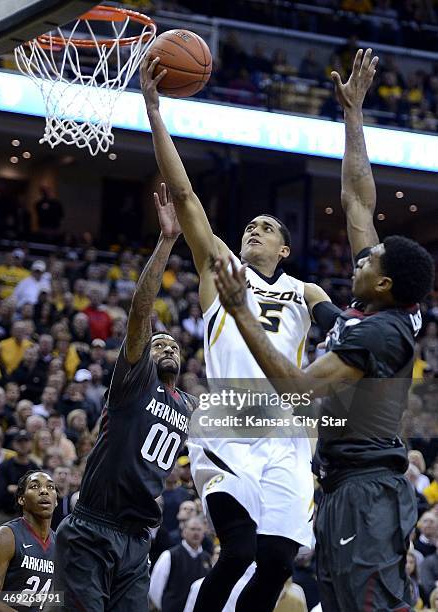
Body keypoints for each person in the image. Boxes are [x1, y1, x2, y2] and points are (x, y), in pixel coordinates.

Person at [212, 49, 435, 611]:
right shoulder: (369, 304)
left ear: (384, 285)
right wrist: (354, 115)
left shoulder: (377, 334)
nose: (357, 259)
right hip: (339, 482)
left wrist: (241, 311)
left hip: (367, 486)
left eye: (368, 262)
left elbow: (293, 387)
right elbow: (359, 199)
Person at [141, 56, 323, 612]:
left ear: (284, 250)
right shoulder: (220, 271)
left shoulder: (305, 291)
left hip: (287, 434)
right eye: (251, 224)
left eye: (267, 229)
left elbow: (344, 328)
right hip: (229, 423)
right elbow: (189, 198)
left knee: (277, 562)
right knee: (240, 551)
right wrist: (154, 110)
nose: (254, 229)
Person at [50, 189, 194, 612]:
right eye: (158, 342)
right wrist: (167, 242)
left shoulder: (186, 402)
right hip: (92, 528)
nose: (167, 346)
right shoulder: (134, 379)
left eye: (174, 344)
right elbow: (139, 312)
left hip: (136, 538)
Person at [0, 470, 57, 611]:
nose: (44, 491)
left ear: (57, 501)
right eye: (35, 486)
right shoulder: (6, 535)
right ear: (21, 499)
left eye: (50, 487)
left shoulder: (60, 545)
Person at [149, 517, 211, 612]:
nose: (196, 533)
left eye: (199, 530)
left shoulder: (207, 558)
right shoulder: (169, 555)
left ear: (203, 533)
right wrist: (165, 607)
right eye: (192, 529)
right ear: (184, 532)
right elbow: (155, 588)